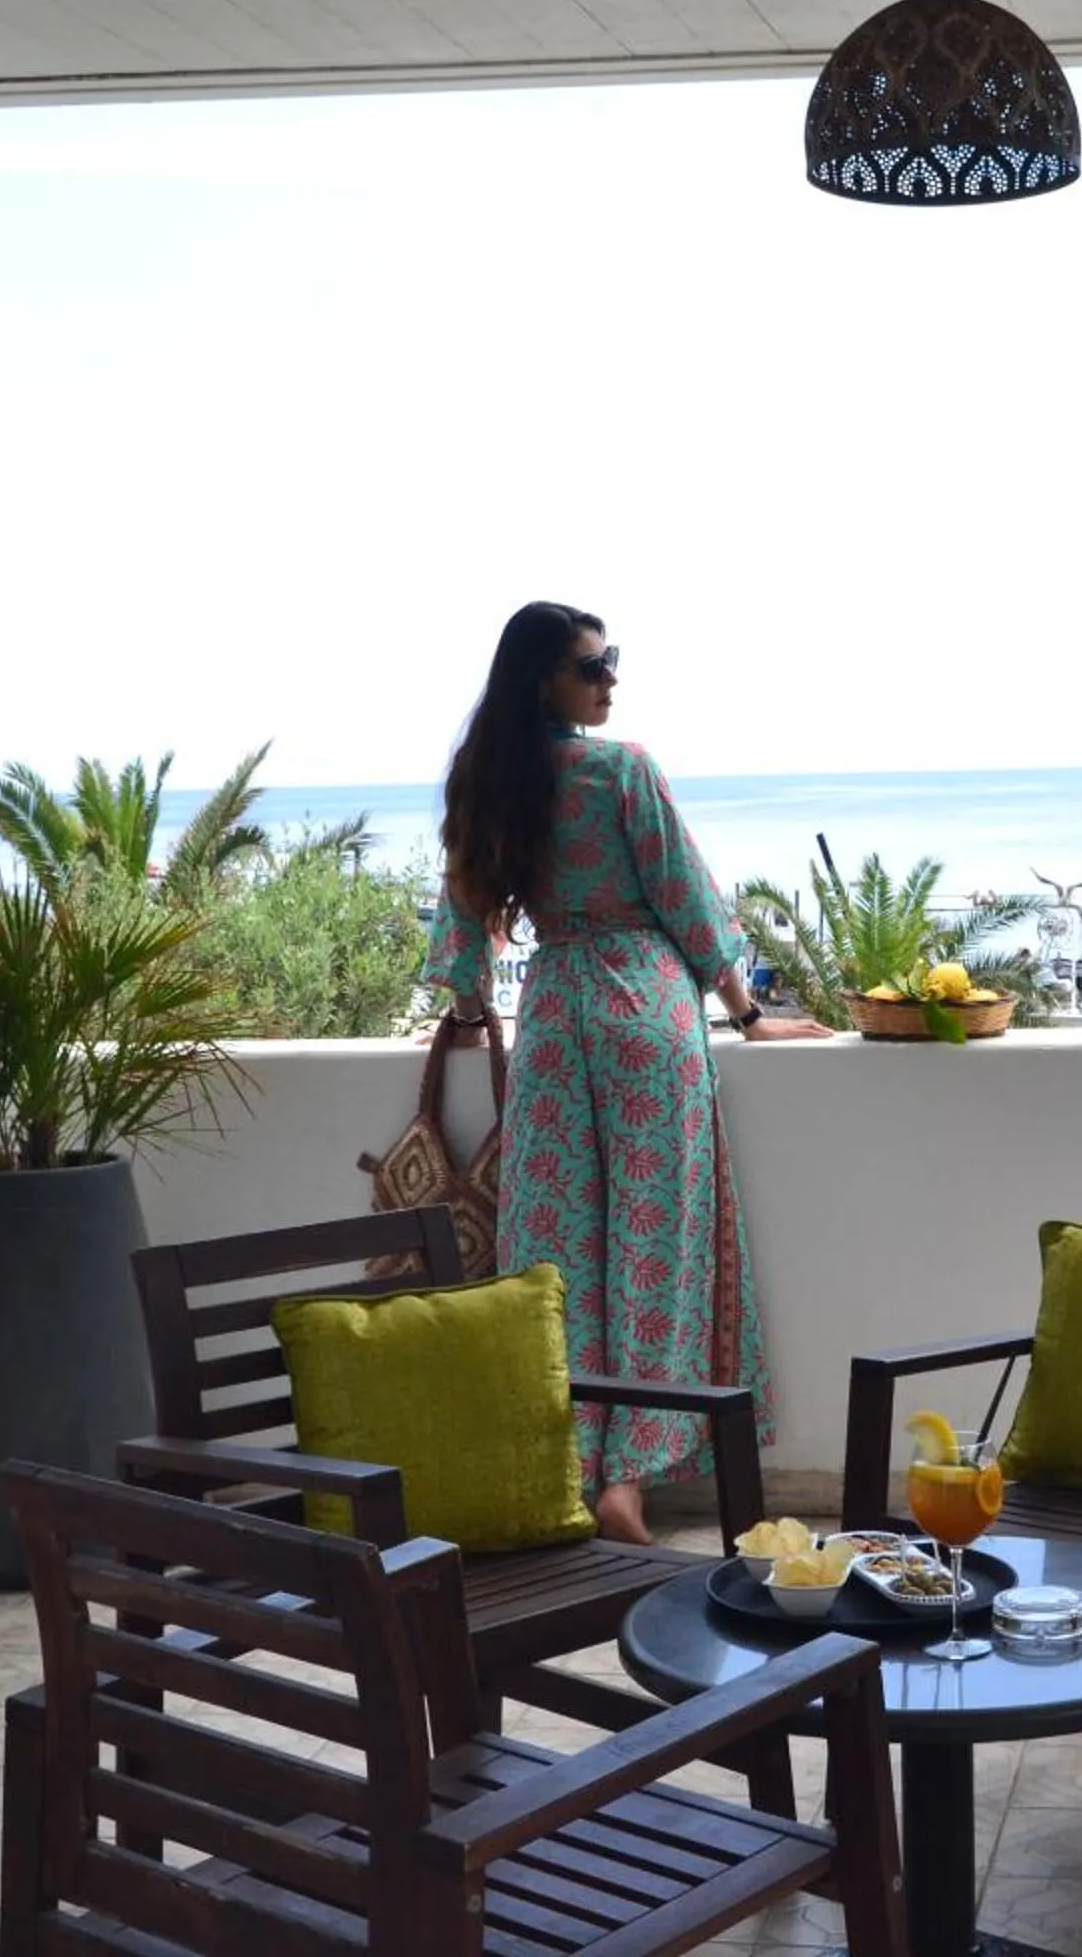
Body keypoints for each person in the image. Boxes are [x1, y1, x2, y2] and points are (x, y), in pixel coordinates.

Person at [425, 602, 833, 1544]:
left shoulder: (487, 777)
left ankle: (565, 1463)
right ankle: (632, 1475)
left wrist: (465, 1005)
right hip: (646, 1017)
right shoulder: (622, 770)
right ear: (545, 680)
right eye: (595, 666)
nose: (612, 679)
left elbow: (465, 909)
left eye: (613, 661)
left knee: (555, 1252)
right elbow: (687, 902)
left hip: (558, 1015)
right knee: (659, 1246)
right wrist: (749, 1014)